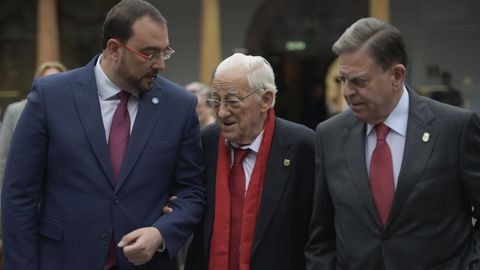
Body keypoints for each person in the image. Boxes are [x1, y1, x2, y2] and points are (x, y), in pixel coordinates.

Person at [1, 0, 206, 269]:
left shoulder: (179, 106)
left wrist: (161, 233)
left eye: (164, 52)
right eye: (149, 53)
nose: (160, 65)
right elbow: (19, 195)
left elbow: (192, 191)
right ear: (114, 48)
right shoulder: (51, 97)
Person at [305, 17, 480, 270]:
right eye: (342, 79)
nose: (347, 91)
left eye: (359, 81)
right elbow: (322, 234)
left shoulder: (455, 129)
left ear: (397, 75)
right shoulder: (328, 135)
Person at [182, 53, 315, 270]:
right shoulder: (204, 143)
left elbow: (317, 232)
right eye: (216, 100)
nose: (222, 112)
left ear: (266, 100)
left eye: (232, 101)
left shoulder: (303, 146)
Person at [0, 61, 67, 196]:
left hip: (62, 193)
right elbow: (3, 160)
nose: (52, 84)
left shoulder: (71, 112)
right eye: (46, 79)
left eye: (57, 79)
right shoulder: (15, 110)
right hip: (26, 191)